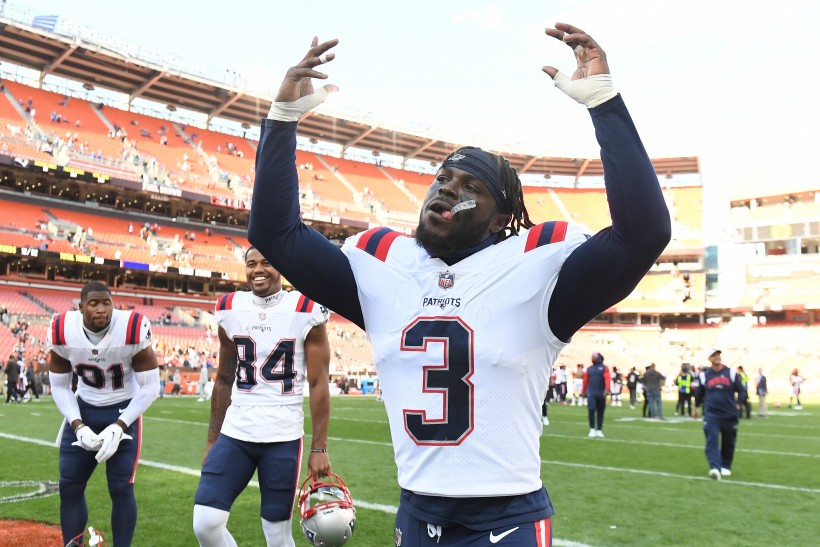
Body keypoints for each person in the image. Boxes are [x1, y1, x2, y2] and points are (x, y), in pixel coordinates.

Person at [248, 23, 671, 543]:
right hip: (416, 514)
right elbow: (274, 231)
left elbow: (644, 233)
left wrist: (604, 103)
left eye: (471, 186)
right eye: (443, 179)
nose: (448, 190)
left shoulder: (535, 266)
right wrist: (283, 119)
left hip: (508, 517)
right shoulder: (384, 264)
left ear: (499, 219)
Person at [193, 247, 332, 547]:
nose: (258, 269)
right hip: (236, 432)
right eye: (251, 263)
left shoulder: (305, 308)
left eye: (267, 262)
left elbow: (319, 383)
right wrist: (212, 440)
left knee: (277, 535)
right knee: (205, 523)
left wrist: (319, 448)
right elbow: (224, 378)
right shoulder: (230, 307)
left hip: (282, 436)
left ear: (280, 265)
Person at [48, 281, 160, 546]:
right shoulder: (62, 330)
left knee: (121, 487)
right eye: (94, 303)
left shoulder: (132, 328)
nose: (101, 309)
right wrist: (78, 425)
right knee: (69, 485)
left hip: (124, 409)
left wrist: (120, 425)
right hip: (85, 407)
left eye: (106, 302)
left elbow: (150, 386)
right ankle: (72, 542)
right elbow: (60, 386)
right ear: (80, 307)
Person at [696, 349, 744, 480]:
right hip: (711, 414)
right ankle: (715, 467)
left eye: (718, 355)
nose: (717, 357)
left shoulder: (732, 373)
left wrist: (738, 404)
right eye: (714, 355)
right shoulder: (704, 375)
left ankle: (725, 465)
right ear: (709, 359)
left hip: (729, 414)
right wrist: (696, 407)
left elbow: (742, 391)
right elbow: (699, 393)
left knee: (729, 441)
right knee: (712, 440)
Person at [582, 352, 611, 437]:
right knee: (591, 410)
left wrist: (607, 389)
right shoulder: (589, 369)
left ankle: (599, 429)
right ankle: (592, 429)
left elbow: (607, 379)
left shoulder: (604, 368)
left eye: (593, 357)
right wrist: (583, 391)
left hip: (601, 393)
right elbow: (585, 381)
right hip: (591, 392)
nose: (592, 358)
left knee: (600, 412)